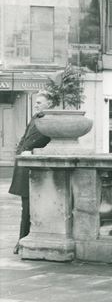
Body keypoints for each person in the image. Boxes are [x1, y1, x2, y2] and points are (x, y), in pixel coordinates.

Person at [8, 90, 52, 254]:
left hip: (39, 170)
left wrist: (33, 153)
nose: (35, 105)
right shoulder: (34, 119)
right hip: (24, 167)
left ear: (49, 105)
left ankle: (26, 240)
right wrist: (19, 154)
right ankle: (21, 241)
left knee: (33, 209)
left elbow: (52, 144)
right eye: (36, 102)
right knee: (25, 208)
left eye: (39, 103)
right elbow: (24, 138)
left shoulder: (52, 121)